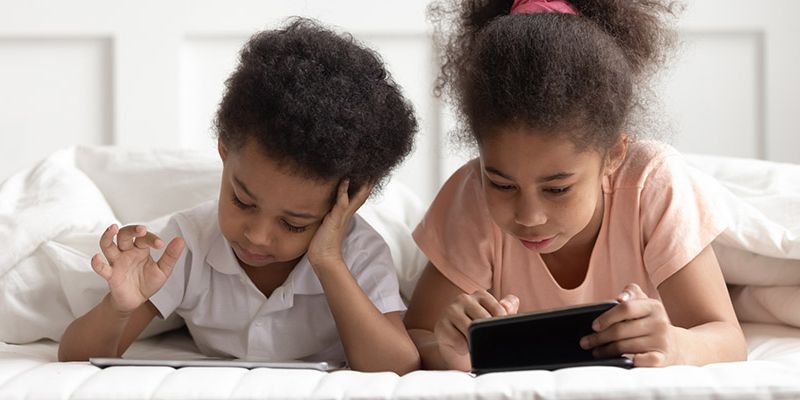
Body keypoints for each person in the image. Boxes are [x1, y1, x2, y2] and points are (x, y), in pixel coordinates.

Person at [58, 18, 420, 374]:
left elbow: (398, 364)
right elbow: (75, 357)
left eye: (294, 224)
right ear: (224, 149)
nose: (257, 236)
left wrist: (327, 260)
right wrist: (119, 308)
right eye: (243, 202)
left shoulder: (357, 253)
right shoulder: (186, 245)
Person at [404, 0, 747, 371]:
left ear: (614, 155)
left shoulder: (652, 184)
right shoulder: (471, 196)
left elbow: (725, 336)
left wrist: (677, 344)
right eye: (502, 185)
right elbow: (417, 334)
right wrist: (452, 349)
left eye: (557, 189)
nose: (529, 217)